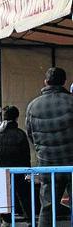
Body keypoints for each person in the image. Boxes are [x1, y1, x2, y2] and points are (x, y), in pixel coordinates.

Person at [26, 67, 73, 227]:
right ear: (64, 82)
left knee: (47, 207)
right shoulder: (71, 101)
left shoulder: (33, 106)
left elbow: (30, 135)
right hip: (71, 162)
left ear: (46, 82)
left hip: (47, 164)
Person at [0, 105, 31, 226]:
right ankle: (29, 219)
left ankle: (6, 220)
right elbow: (25, 156)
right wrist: (27, 171)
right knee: (24, 195)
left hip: (0, 171)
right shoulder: (20, 134)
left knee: (3, 195)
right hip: (18, 170)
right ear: (16, 118)